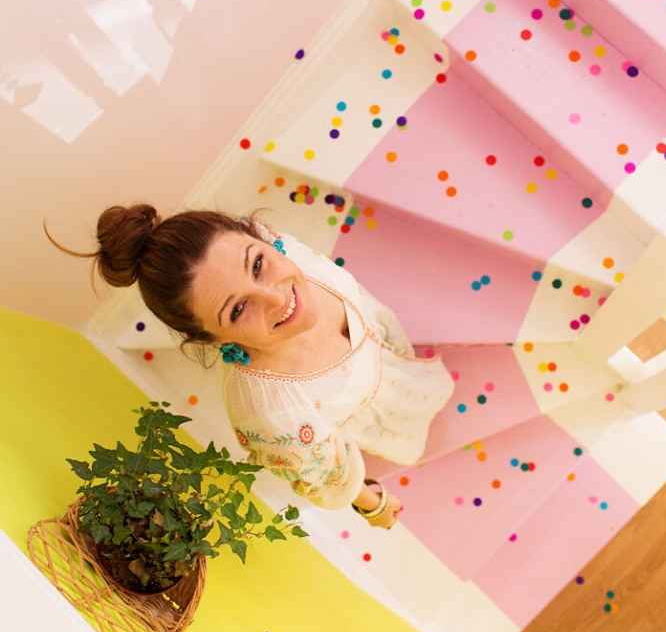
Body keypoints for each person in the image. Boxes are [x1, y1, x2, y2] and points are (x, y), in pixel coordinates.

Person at [50, 205, 453, 528]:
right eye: (238, 309)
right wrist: (371, 503)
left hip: (387, 355)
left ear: (261, 238)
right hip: (375, 415)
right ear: (213, 339)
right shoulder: (273, 413)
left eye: (257, 265)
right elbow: (327, 475)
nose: (277, 299)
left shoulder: (287, 250)